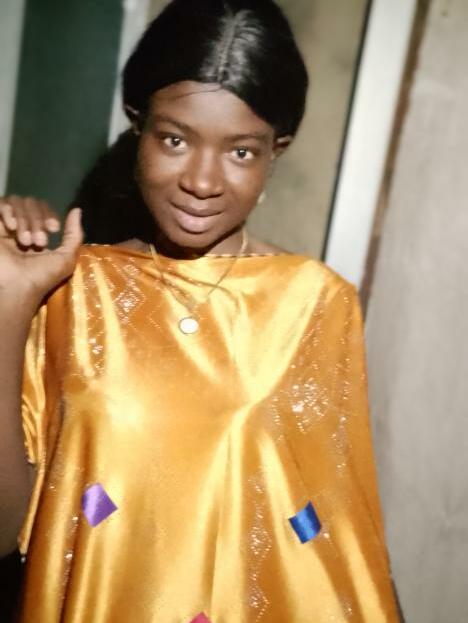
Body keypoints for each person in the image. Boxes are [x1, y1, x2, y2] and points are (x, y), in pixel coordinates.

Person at [0, 0, 400, 620]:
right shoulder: (71, 290)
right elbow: (6, 532)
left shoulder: (314, 304)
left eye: (241, 152)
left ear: (277, 150)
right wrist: (8, 306)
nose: (203, 182)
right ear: (138, 124)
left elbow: (338, 536)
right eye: (176, 139)